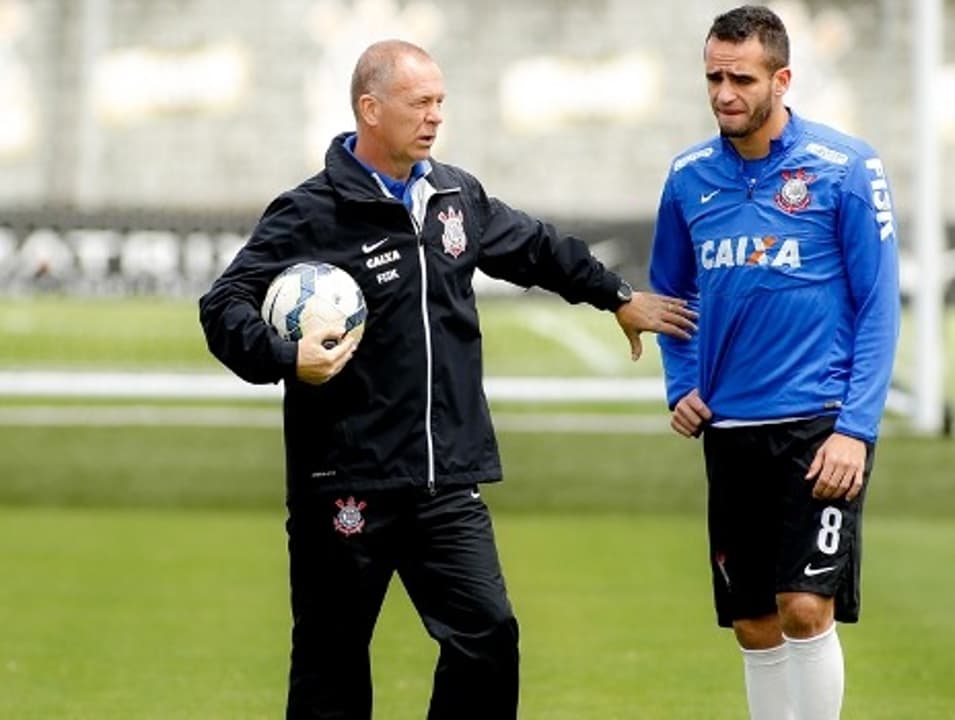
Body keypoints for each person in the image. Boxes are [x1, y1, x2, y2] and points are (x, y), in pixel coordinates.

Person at [199, 39, 696, 720]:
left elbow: (534, 247)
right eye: (419, 103)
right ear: (370, 110)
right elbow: (223, 304)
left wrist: (614, 294)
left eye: (440, 102)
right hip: (346, 485)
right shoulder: (310, 213)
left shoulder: (454, 195)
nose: (435, 117)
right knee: (331, 665)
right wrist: (288, 358)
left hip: (444, 484)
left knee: (488, 638)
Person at [648, 6, 900, 720]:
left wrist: (856, 426)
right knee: (753, 620)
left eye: (742, 78)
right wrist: (681, 382)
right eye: (714, 77)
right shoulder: (688, 177)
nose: (725, 92)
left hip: (818, 429)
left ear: (782, 79)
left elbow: (880, 304)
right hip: (729, 430)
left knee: (804, 606)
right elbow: (669, 292)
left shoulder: (847, 168)